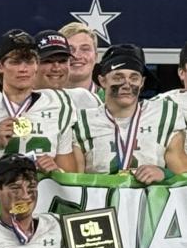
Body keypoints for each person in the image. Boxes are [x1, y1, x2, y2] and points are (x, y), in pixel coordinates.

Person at [0, 30, 77, 172]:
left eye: (29, 62)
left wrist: (57, 171)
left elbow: (70, 177)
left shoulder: (59, 103)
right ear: (0, 66)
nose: (23, 69)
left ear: (36, 65)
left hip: (43, 192)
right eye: (15, 62)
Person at [72, 45, 187, 181]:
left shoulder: (165, 115)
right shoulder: (82, 121)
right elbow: (74, 181)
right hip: (99, 201)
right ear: (102, 80)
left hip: (150, 201)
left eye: (134, 78)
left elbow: (183, 178)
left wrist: (164, 174)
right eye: (118, 77)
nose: (126, 85)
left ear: (142, 82)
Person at [34, 30, 101, 110]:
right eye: (47, 61)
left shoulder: (87, 101)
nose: (56, 68)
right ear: (32, 64)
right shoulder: (18, 103)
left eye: (62, 61)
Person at [61, 22, 101, 97]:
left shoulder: (112, 101)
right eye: (69, 49)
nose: (76, 56)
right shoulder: (42, 101)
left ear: (95, 57)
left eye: (85, 49)